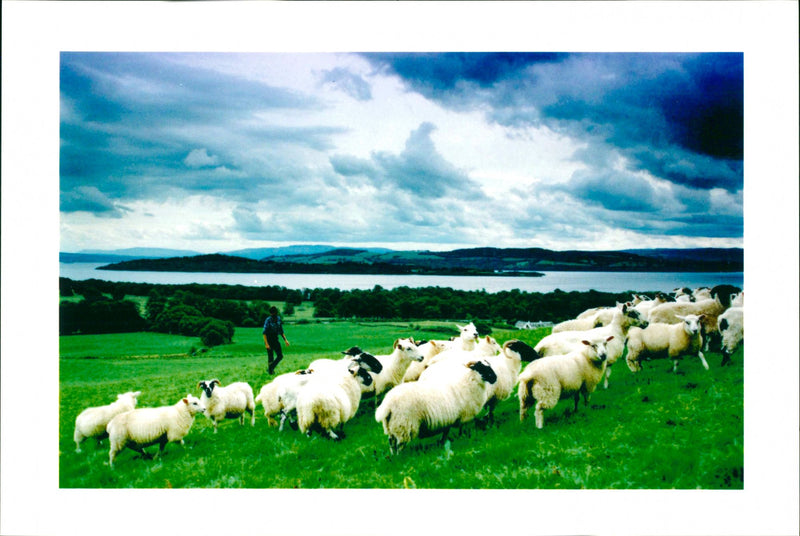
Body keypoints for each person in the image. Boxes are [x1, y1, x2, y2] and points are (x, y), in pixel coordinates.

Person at [262, 306, 289, 374]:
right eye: (272, 313)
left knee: (280, 356)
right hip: (269, 339)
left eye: (274, 313)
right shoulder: (268, 320)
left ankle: (270, 368)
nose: (273, 314)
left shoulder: (279, 319)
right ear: (270, 313)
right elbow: (264, 333)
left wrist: (285, 340)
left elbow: (281, 331)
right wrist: (266, 344)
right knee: (271, 357)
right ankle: (271, 371)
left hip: (275, 339)